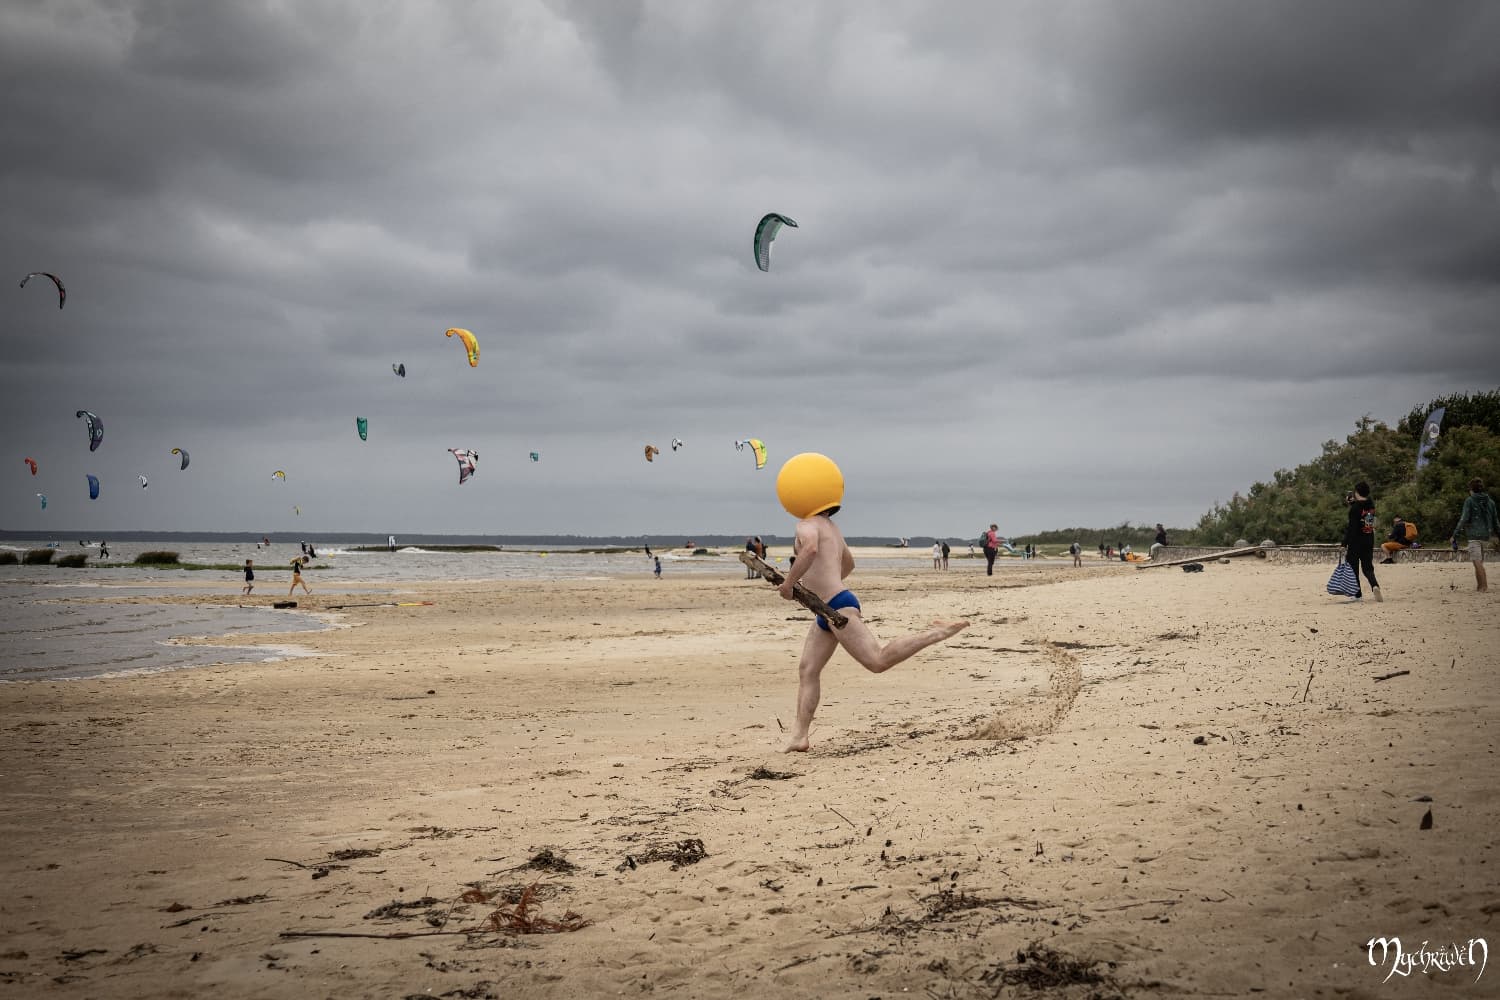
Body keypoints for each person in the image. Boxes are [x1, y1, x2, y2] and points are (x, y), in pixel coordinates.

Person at [774, 453, 968, 753]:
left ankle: (938, 631)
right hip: (826, 608)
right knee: (808, 670)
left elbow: (810, 550)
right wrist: (823, 582)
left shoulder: (806, 525)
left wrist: (789, 584)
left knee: (877, 661)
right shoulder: (831, 528)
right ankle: (799, 736)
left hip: (836, 606)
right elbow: (848, 564)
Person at [1450, 478, 1498, 593]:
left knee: (1477, 562)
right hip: (1486, 536)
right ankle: (1479, 586)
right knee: (1479, 562)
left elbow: (1464, 518)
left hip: (1474, 536)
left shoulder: (1470, 500)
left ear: (1471, 489)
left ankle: (1484, 587)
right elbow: (1496, 521)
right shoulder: (1490, 502)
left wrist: (1454, 535)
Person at [1342, 482, 1380, 601]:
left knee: (1353, 567)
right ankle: (1374, 585)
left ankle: (1357, 595)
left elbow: (1352, 528)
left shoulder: (1354, 509)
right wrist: (1353, 503)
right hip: (1368, 539)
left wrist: (1344, 543)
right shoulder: (1371, 505)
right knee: (1367, 567)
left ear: (1357, 492)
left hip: (1355, 541)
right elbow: (1364, 515)